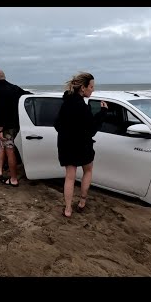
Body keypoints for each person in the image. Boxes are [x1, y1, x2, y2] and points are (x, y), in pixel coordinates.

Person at [54, 72, 108, 218]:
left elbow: (57, 124)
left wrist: (68, 134)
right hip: (82, 145)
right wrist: (103, 112)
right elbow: (91, 129)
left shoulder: (66, 103)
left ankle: (67, 209)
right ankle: (82, 202)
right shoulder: (82, 107)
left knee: (70, 177)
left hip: (66, 145)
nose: (93, 90)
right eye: (91, 87)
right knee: (88, 171)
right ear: (83, 88)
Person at [0, 69, 32, 187]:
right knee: (2, 145)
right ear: (4, 77)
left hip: (6, 127)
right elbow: (28, 96)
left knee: (9, 150)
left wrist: (0, 129)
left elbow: (0, 113)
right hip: (16, 124)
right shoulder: (15, 88)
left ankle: (13, 179)